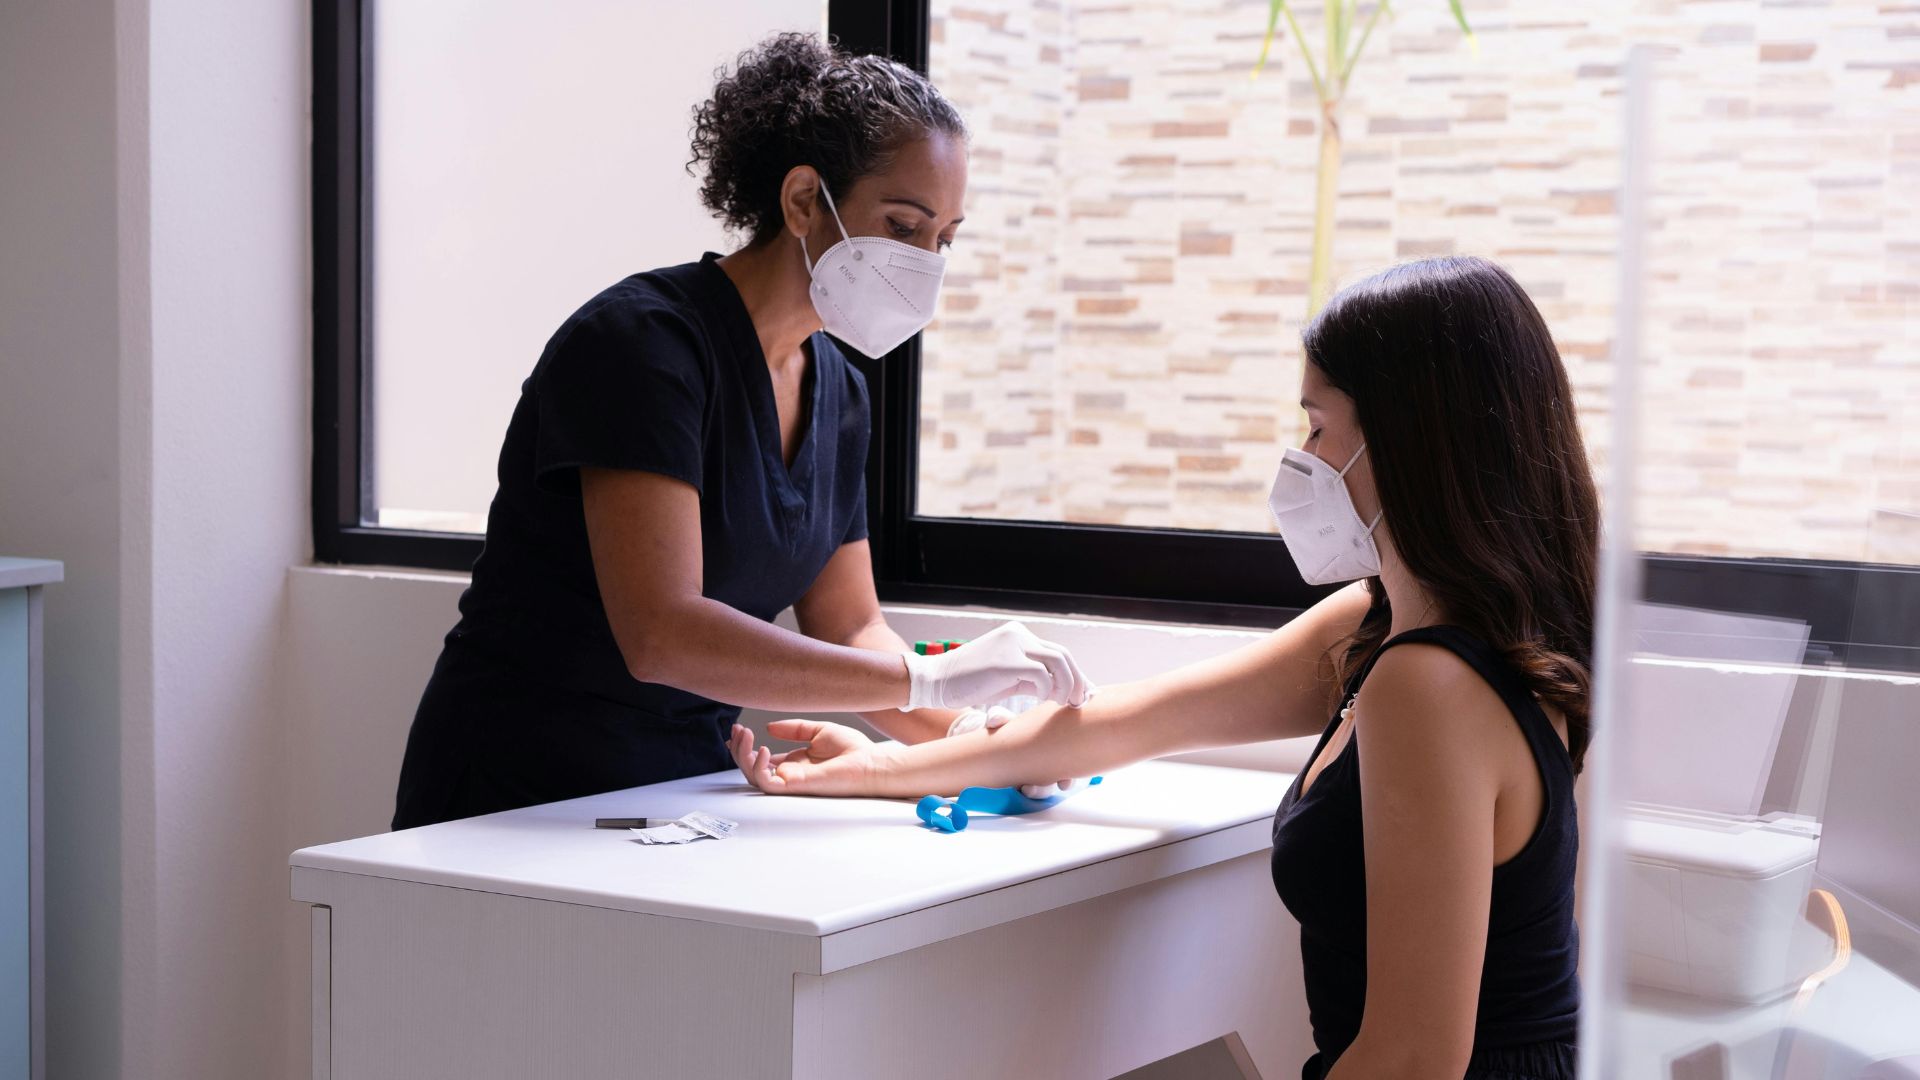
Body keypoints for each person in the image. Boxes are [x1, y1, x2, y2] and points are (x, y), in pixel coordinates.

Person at [729, 256, 1595, 1080]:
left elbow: (1414, 1063)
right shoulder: (1379, 628)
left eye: (1319, 426)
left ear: (1407, 445)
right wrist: (882, 765)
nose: (1302, 456)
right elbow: (1122, 723)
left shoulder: (1429, 685)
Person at [392, 33, 1089, 831]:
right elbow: (663, 633)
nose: (926, 263)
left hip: (677, 789)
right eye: (903, 226)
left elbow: (850, 624)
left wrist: (986, 741)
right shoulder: (642, 347)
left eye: (945, 240)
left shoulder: (841, 394)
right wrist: (933, 680)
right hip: (517, 787)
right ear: (801, 202)